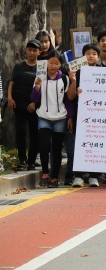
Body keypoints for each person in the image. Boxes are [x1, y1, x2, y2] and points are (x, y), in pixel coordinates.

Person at [31, 51, 76, 188]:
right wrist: (37, 88)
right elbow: (33, 99)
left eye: (57, 63)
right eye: (51, 63)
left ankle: (54, 177)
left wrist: (69, 117)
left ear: (60, 65)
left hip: (60, 118)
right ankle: (45, 173)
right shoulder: (39, 78)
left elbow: (69, 100)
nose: (53, 66)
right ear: (46, 64)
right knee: (44, 146)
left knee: (56, 149)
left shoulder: (64, 79)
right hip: (43, 117)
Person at [71, 43, 102, 187]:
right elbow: (70, 97)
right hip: (81, 112)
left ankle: (93, 176)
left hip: (98, 113)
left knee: (95, 144)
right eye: (88, 53)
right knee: (80, 144)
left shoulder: (104, 71)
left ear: (98, 56)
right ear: (84, 56)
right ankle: (78, 176)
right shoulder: (77, 72)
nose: (91, 56)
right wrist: (74, 85)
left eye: (94, 54)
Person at [8, 39, 41, 171]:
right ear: (26, 51)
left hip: (34, 106)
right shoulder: (19, 66)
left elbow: (42, 87)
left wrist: (34, 103)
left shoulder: (42, 67)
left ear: (39, 52)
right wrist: (10, 98)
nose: (31, 53)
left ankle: (32, 161)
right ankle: (22, 160)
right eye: (29, 50)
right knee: (20, 132)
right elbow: (12, 83)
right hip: (18, 105)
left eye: (34, 50)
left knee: (34, 134)